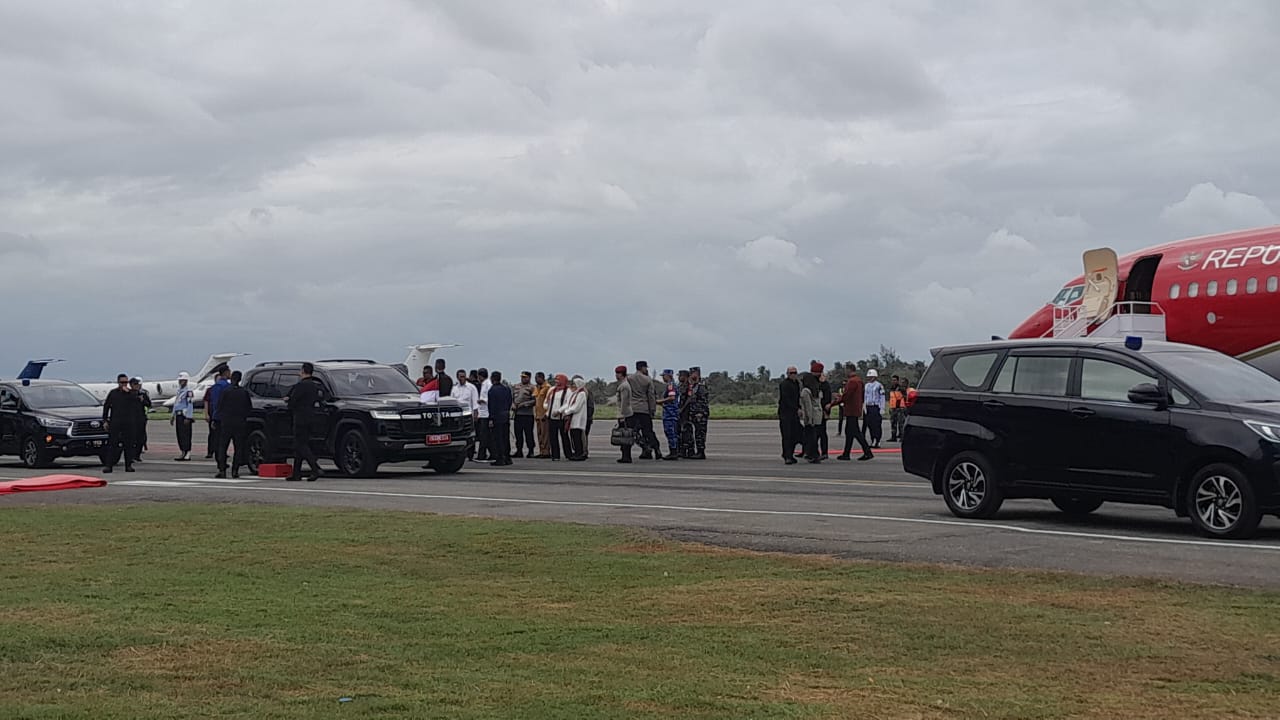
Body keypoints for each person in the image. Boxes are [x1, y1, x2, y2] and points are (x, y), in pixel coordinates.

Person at [285, 362, 323, 481]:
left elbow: (293, 402)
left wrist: (288, 400)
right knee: (301, 445)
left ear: (302, 371)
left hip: (300, 417)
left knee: (300, 445)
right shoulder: (315, 385)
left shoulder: (300, 386)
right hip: (311, 417)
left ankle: (315, 468)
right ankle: (296, 473)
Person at [215, 371, 253, 478]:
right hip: (240, 423)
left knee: (223, 447)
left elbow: (219, 406)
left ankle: (222, 470)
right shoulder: (244, 392)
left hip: (226, 422)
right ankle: (235, 470)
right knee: (238, 447)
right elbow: (249, 408)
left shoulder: (225, 391)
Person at [101, 374, 139, 473]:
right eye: (122, 383)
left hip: (128, 423)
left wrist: (129, 393)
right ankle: (109, 466)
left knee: (129, 445)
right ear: (118, 383)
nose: (124, 385)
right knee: (112, 444)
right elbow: (106, 406)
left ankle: (128, 465)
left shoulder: (132, 394)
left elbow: (137, 402)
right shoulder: (113, 393)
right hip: (115, 422)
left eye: (126, 383)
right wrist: (105, 420)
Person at [627, 361, 661, 460]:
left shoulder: (629, 379)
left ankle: (645, 448)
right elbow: (651, 396)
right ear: (642, 368)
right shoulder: (647, 379)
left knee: (633, 432)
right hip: (644, 409)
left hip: (632, 409)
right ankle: (656, 449)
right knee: (648, 431)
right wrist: (653, 409)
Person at [837, 370, 873, 461]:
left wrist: (833, 403)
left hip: (851, 410)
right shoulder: (859, 381)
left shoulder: (852, 382)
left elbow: (846, 396)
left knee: (855, 432)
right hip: (855, 409)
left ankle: (867, 452)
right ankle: (846, 453)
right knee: (849, 432)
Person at [206, 364, 232, 463]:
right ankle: (221, 461)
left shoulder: (217, 387)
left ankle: (221, 462)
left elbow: (214, 403)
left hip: (220, 417)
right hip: (223, 417)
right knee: (221, 440)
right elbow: (217, 403)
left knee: (220, 440)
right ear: (225, 373)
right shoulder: (224, 386)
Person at [487, 371, 513, 466]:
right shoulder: (507, 389)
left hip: (496, 417)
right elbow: (510, 401)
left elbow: (491, 406)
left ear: (492, 378)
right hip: (505, 415)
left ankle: (500, 458)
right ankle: (507, 457)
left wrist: (491, 418)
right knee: (506, 437)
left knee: (498, 439)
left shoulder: (492, 390)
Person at [777, 366, 801, 464]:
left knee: (795, 435)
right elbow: (786, 399)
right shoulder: (784, 384)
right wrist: (796, 408)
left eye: (795, 372)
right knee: (787, 435)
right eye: (791, 373)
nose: (793, 374)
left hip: (794, 413)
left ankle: (789, 454)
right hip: (785, 413)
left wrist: (799, 408)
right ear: (787, 374)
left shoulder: (797, 384)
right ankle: (787, 456)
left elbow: (797, 398)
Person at [545, 373, 572, 461]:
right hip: (551, 417)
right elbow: (547, 400)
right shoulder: (552, 389)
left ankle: (568, 454)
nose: (556, 381)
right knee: (553, 437)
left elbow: (568, 403)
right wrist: (546, 408)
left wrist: (559, 411)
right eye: (555, 380)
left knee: (564, 436)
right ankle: (555, 455)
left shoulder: (568, 391)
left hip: (561, 417)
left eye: (558, 380)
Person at [684, 366, 709, 459]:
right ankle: (696, 451)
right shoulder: (693, 386)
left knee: (700, 433)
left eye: (693, 373)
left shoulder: (701, 386)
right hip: (693, 413)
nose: (691, 375)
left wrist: (701, 413)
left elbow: (703, 401)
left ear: (697, 374)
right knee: (695, 432)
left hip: (700, 414)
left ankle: (701, 452)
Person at [170, 371, 196, 461]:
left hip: (185, 416)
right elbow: (176, 404)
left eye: (182, 380)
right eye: (180, 380)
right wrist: (172, 415)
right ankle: (183, 451)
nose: (180, 382)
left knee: (186, 435)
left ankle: (187, 452)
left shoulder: (188, 392)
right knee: (180, 435)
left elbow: (190, 404)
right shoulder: (179, 392)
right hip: (179, 415)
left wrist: (189, 417)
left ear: (186, 381)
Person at [563, 375, 589, 461]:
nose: (572, 386)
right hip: (573, 419)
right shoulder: (576, 393)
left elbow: (576, 407)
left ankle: (579, 453)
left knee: (577, 437)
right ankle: (577, 452)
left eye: (574, 384)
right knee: (574, 437)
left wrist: (567, 411)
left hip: (578, 418)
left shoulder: (581, 394)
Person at [799, 371, 823, 463]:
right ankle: (813, 454)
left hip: (811, 417)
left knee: (810, 437)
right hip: (817, 415)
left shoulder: (805, 391)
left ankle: (813, 455)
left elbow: (808, 406)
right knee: (814, 436)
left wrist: (808, 418)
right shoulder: (815, 389)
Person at [512, 371, 537, 458]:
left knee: (528, 434)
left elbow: (534, 401)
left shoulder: (533, 387)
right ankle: (519, 451)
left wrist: (524, 404)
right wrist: (513, 405)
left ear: (529, 378)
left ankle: (531, 451)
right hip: (518, 414)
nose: (523, 378)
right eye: (522, 377)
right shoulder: (516, 386)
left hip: (527, 414)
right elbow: (512, 398)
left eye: (525, 377)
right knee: (518, 434)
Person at [613, 365, 635, 463]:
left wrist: (622, 415)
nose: (616, 375)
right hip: (625, 413)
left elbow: (624, 402)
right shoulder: (623, 384)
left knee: (625, 436)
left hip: (626, 414)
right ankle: (625, 455)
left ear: (622, 374)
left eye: (618, 373)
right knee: (624, 436)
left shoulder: (624, 386)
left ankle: (627, 456)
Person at [659, 369, 680, 460]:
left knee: (670, 432)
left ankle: (673, 452)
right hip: (671, 412)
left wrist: (660, 401)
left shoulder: (670, 385)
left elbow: (671, 397)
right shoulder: (672, 385)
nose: (663, 378)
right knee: (672, 432)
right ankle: (674, 450)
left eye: (664, 376)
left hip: (670, 413)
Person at [129, 377, 150, 463]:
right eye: (135, 384)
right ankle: (131, 455)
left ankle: (137, 455)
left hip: (141, 418)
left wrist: (143, 400)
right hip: (131, 419)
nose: (137, 386)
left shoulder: (143, 394)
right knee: (132, 438)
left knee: (141, 437)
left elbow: (149, 404)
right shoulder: (128, 394)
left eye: (138, 384)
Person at [863, 369, 886, 448]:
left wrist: (882, 408)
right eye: (869, 377)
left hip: (876, 407)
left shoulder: (879, 385)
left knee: (876, 425)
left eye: (871, 377)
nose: (869, 378)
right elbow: (865, 397)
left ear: (875, 377)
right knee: (870, 425)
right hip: (868, 406)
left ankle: (878, 440)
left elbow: (882, 397)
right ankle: (873, 440)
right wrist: (864, 406)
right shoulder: (866, 386)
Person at [815, 363, 832, 458]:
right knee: (815, 433)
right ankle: (813, 450)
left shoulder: (825, 385)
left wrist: (827, 412)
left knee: (821, 432)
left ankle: (824, 452)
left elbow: (827, 399)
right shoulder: (814, 383)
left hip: (822, 411)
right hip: (816, 410)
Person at [533, 372, 551, 458]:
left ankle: (546, 452)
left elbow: (549, 402)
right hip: (537, 414)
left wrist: (546, 413)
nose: (536, 380)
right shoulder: (536, 388)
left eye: (537, 378)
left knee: (545, 434)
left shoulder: (547, 388)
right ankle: (541, 451)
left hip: (544, 415)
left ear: (542, 378)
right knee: (539, 434)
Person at [475, 368, 492, 461]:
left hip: (486, 413)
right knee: (485, 436)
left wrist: (483, 401)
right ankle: (492, 453)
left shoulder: (488, 385)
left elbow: (491, 398)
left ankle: (482, 455)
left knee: (484, 435)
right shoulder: (483, 384)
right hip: (482, 412)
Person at [888, 376, 907, 442]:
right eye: (892, 380)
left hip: (900, 408)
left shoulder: (901, 388)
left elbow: (905, 397)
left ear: (897, 381)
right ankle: (893, 437)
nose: (893, 381)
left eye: (895, 380)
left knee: (901, 423)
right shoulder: (891, 388)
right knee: (893, 423)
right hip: (893, 408)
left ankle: (902, 436)